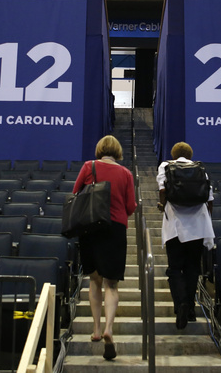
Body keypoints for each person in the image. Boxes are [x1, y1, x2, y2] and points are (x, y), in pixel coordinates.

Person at [73, 135, 136, 361]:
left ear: (100, 149)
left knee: (94, 280)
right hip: (115, 229)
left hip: (90, 227)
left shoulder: (88, 166)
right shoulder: (126, 173)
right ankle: (110, 327)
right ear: (117, 151)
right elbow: (130, 206)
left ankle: (97, 330)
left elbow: (75, 195)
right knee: (112, 284)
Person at [156, 141, 215, 329]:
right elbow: (209, 199)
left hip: (175, 225)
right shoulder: (200, 168)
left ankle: (180, 303)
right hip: (198, 225)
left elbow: (163, 190)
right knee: (192, 268)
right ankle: (190, 307)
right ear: (190, 154)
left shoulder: (166, 166)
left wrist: (162, 205)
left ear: (174, 154)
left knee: (175, 268)